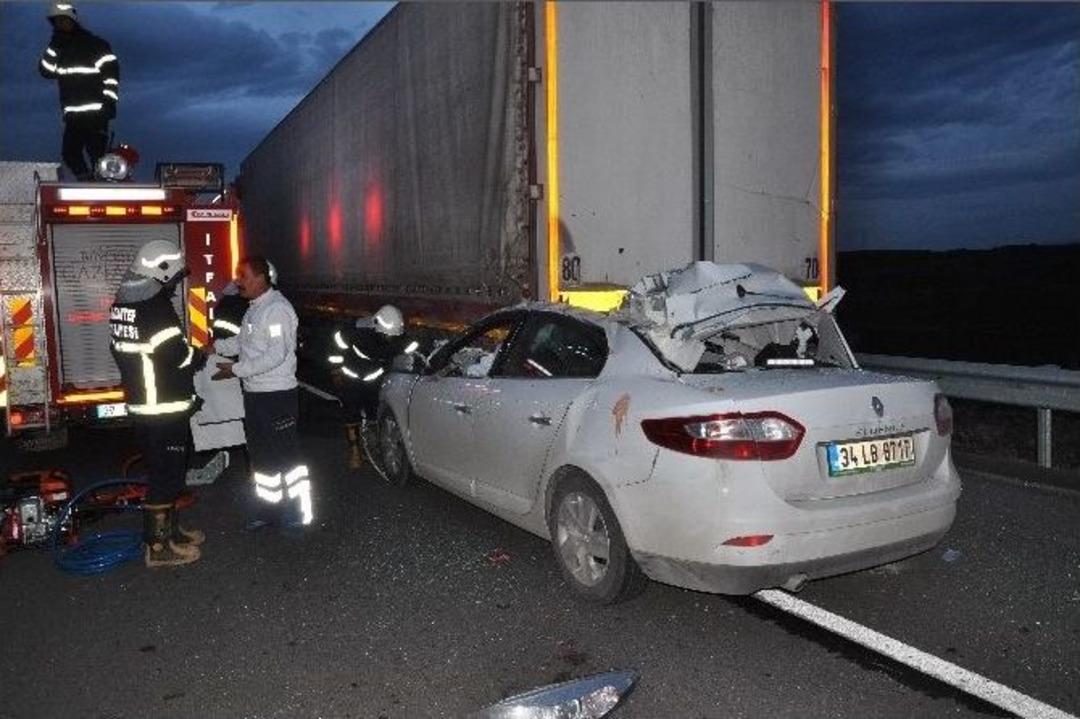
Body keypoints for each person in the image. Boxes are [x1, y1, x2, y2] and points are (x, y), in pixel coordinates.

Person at [109, 240, 203, 567]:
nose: (175, 283)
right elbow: (177, 356)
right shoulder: (155, 309)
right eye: (174, 277)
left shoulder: (123, 305)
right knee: (167, 476)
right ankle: (159, 548)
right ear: (161, 273)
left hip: (144, 405)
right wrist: (198, 355)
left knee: (164, 472)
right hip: (163, 407)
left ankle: (171, 533)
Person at [210, 257, 312, 530]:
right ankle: (270, 513)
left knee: (286, 457)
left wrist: (236, 369)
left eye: (243, 276)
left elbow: (276, 355)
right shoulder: (255, 309)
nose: (237, 282)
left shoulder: (277, 309)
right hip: (255, 394)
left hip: (277, 396)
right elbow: (243, 342)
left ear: (261, 278)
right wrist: (216, 347)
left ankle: (297, 512)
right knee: (262, 456)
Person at [38, 3, 120, 181]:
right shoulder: (59, 49)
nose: (61, 24)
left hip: (96, 114)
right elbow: (46, 71)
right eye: (57, 21)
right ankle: (88, 183)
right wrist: (53, 47)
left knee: (97, 157)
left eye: (64, 20)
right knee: (69, 153)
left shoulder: (96, 45)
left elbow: (111, 77)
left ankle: (101, 186)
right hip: (73, 116)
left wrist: (109, 104)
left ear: (73, 21)